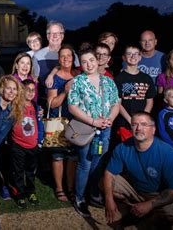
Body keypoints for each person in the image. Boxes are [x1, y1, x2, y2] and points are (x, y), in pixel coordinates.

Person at [103, 112, 173, 228]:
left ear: (153, 130)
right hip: (137, 191)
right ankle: (129, 212)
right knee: (106, 183)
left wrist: (150, 205)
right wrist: (109, 201)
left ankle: (148, 215)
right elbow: (109, 173)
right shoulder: (122, 148)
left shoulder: (168, 153)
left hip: (161, 194)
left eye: (144, 124)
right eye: (134, 124)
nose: (138, 128)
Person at [67, 46, 120, 217]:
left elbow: (115, 104)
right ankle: (80, 199)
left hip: (105, 130)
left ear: (98, 61)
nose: (88, 64)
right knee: (85, 164)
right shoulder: (78, 82)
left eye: (91, 60)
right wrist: (92, 121)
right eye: (84, 62)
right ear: (80, 65)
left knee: (98, 163)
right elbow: (72, 107)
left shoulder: (108, 82)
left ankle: (93, 194)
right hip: (86, 129)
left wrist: (110, 118)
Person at [46, 44, 79, 203]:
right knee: (58, 156)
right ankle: (59, 188)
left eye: (69, 56)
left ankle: (71, 188)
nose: (66, 59)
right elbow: (51, 104)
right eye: (63, 56)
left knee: (73, 157)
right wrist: (65, 91)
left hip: (76, 121)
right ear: (59, 59)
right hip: (58, 122)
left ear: (73, 58)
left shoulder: (78, 75)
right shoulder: (54, 78)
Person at [10, 79, 43, 209]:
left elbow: (39, 123)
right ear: (21, 91)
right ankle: (20, 194)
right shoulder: (15, 105)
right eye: (27, 89)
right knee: (18, 172)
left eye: (32, 90)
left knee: (30, 171)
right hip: (18, 145)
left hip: (32, 146)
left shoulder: (35, 106)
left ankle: (31, 192)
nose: (30, 92)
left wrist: (39, 140)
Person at [114, 45, 156, 145]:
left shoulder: (146, 78)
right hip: (125, 123)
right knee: (128, 150)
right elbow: (117, 103)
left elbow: (149, 101)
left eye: (136, 54)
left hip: (142, 123)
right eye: (129, 54)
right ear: (124, 57)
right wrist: (130, 120)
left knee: (142, 147)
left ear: (140, 57)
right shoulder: (119, 78)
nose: (133, 56)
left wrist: (142, 119)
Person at [0, 75, 25, 201]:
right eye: (8, 88)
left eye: (14, 89)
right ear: (2, 89)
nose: (12, 92)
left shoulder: (14, 111)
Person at [33, 21, 79, 102]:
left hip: (71, 99)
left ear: (62, 36)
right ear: (47, 36)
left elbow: (79, 75)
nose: (54, 36)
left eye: (58, 33)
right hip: (47, 100)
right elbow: (34, 80)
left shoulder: (72, 54)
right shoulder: (38, 56)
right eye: (51, 33)